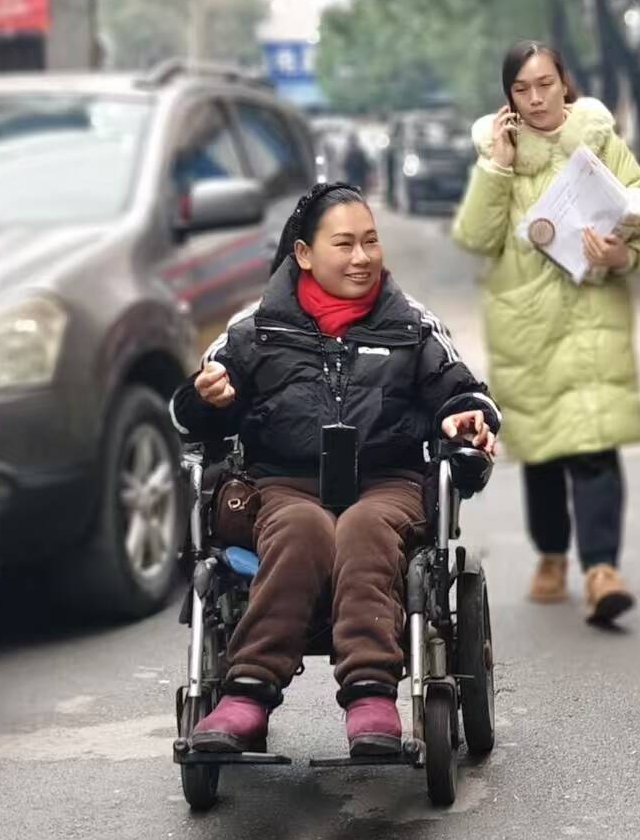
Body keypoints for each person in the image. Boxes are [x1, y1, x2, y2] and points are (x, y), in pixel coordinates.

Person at [172, 182, 501, 757]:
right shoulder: (255, 328)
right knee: (301, 529)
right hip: (285, 486)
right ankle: (247, 691)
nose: (361, 257)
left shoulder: (413, 325)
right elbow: (189, 415)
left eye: (370, 241)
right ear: (303, 254)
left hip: (388, 485)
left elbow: (464, 393)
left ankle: (371, 694)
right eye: (344, 244)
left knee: (362, 528)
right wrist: (206, 399)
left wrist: (466, 419)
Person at [451, 41, 640, 624]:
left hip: (592, 312)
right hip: (526, 322)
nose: (537, 98)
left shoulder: (600, 140)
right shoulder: (499, 153)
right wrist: (497, 167)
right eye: (522, 89)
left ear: (564, 82)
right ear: (508, 98)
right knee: (542, 450)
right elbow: (475, 237)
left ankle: (602, 570)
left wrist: (622, 255)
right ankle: (551, 553)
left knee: (593, 444)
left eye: (545, 83)